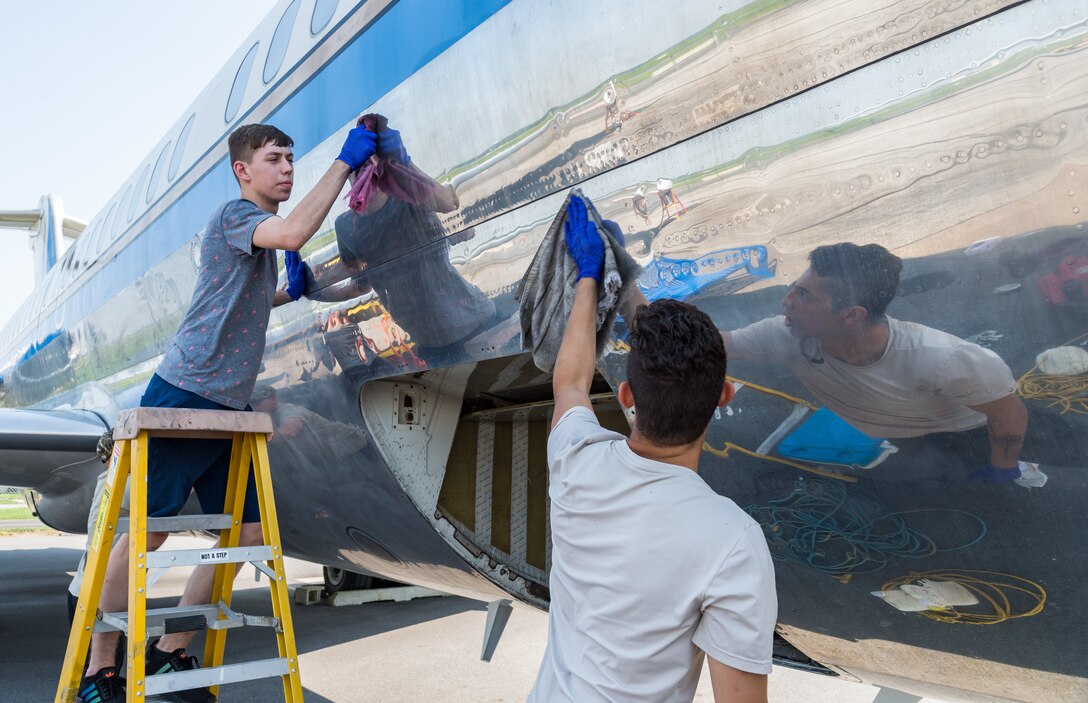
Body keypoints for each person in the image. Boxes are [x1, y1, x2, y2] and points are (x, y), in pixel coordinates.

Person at [76, 120, 381, 703]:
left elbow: (253, 296)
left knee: (242, 531)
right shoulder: (234, 217)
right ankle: (100, 669)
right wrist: (342, 166)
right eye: (275, 158)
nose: (288, 168)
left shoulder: (258, 241)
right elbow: (292, 233)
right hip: (185, 395)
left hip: (228, 407)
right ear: (244, 171)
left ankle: (169, 653)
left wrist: (325, 281)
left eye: (293, 158)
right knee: (146, 537)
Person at [529, 195, 777, 703]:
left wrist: (591, 276)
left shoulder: (577, 464)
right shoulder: (732, 542)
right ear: (724, 395)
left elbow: (571, 382)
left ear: (625, 397)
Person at [722, 242, 1034, 483]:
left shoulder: (940, 357)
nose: (785, 301)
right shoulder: (786, 335)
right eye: (793, 289)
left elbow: (1008, 412)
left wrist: (1003, 466)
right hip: (903, 435)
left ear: (852, 315)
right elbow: (719, 345)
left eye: (803, 295)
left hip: (972, 432)